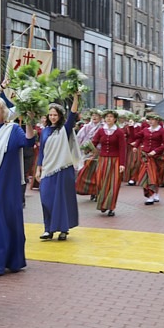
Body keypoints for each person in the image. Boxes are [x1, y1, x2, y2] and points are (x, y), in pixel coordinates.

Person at [0, 97, 35, 276]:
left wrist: (30, 121)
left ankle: (14, 260)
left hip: (9, 185)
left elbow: (28, 142)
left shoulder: (13, 129)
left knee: (11, 222)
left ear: (4, 112)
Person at [35, 93, 81, 241]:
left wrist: (75, 98)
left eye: (55, 115)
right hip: (48, 169)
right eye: (50, 115)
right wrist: (38, 167)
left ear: (60, 116)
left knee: (61, 200)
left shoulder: (64, 129)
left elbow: (73, 114)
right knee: (46, 198)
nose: (53, 117)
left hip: (63, 168)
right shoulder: (45, 131)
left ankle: (63, 229)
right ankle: (48, 228)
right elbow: (42, 150)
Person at [91, 110, 126, 217]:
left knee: (113, 184)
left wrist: (122, 164)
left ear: (115, 119)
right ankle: (103, 203)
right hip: (103, 160)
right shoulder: (101, 131)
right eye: (107, 117)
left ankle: (111, 207)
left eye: (111, 117)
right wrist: (87, 149)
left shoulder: (119, 132)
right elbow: (94, 142)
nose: (109, 119)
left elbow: (122, 149)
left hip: (115, 160)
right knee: (100, 182)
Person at [134, 113, 164, 205]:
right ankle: (150, 196)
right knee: (147, 175)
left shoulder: (162, 131)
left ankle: (155, 193)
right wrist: (133, 126)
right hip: (146, 156)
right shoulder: (145, 129)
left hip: (157, 157)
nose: (150, 121)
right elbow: (136, 136)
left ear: (157, 120)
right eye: (149, 119)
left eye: (152, 119)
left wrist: (155, 151)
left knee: (155, 176)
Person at [75, 109, 103, 200]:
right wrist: (83, 147)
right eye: (93, 115)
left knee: (97, 172)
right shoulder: (86, 127)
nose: (94, 117)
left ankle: (97, 191)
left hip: (99, 152)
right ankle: (89, 190)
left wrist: (97, 149)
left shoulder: (103, 127)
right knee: (87, 171)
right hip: (87, 152)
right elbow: (79, 137)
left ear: (100, 117)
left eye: (96, 115)